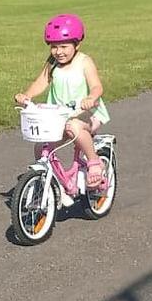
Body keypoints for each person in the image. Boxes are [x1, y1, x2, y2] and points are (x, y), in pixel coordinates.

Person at [13, 14, 110, 207]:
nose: (58, 51)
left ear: (77, 45)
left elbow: (97, 86)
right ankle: (54, 182)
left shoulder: (84, 62)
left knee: (74, 127)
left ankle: (94, 163)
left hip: (87, 114)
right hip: (59, 114)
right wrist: (27, 96)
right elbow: (41, 82)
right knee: (41, 146)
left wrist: (91, 98)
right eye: (54, 47)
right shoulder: (53, 64)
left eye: (64, 46)